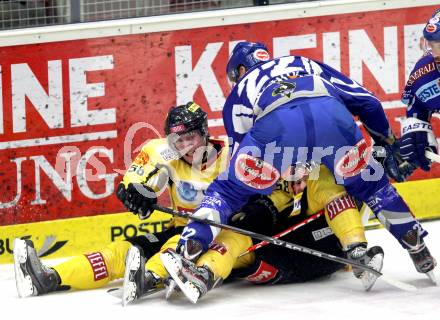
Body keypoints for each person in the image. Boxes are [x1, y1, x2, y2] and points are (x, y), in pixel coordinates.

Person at [172, 41, 436, 284]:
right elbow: (367, 101)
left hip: (277, 127)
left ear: (241, 68)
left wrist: (252, 189)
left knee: (226, 191)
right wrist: (385, 141)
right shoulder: (304, 63)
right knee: (374, 187)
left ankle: (190, 245)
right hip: (333, 119)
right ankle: (417, 246)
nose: (233, 81)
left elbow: (243, 158)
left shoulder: (240, 90)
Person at [13, 102, 229, 304]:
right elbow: (136, 177)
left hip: (220, 238)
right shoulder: (164, 151)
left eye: (190, 138)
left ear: (204, 132)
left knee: (173, 248)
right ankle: (49, 277)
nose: (184, 146)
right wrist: (135, 191)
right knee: (121, 252)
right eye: (177, 140)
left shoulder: (230, 154)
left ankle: (149, 276)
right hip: (178, 231)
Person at [160, 164, 384, 303]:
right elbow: (275, 201)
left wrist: (355, 250)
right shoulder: (283, 183)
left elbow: (339, 199)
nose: (296, 182)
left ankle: (357, 252)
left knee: (241, 236)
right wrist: (254, 212)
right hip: (279, 259)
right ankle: (201, 273)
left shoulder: (323, 181)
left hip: (324, 253)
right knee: (235, 237)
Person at [398, 10, 439, 173]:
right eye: (432, 44)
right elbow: (418, 106)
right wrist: (417, 128)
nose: (435, 54)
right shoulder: (423, 74)